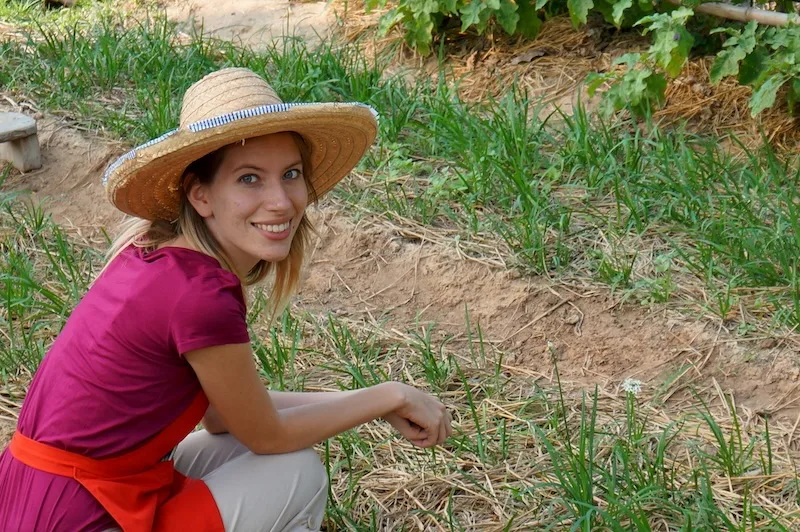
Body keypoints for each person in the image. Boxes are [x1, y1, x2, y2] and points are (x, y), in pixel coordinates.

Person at [0, 67, 452, 532]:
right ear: (201, 195)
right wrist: (388, 395)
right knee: (296, 473)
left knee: (233, 452)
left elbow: (223, 418)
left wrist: (369, 401)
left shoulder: (156, 255)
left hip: (47, 497)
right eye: (250, 179)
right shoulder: (200, 296)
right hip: (74, 515)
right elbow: (268, 434)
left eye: (291, 174)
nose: (280, 201)